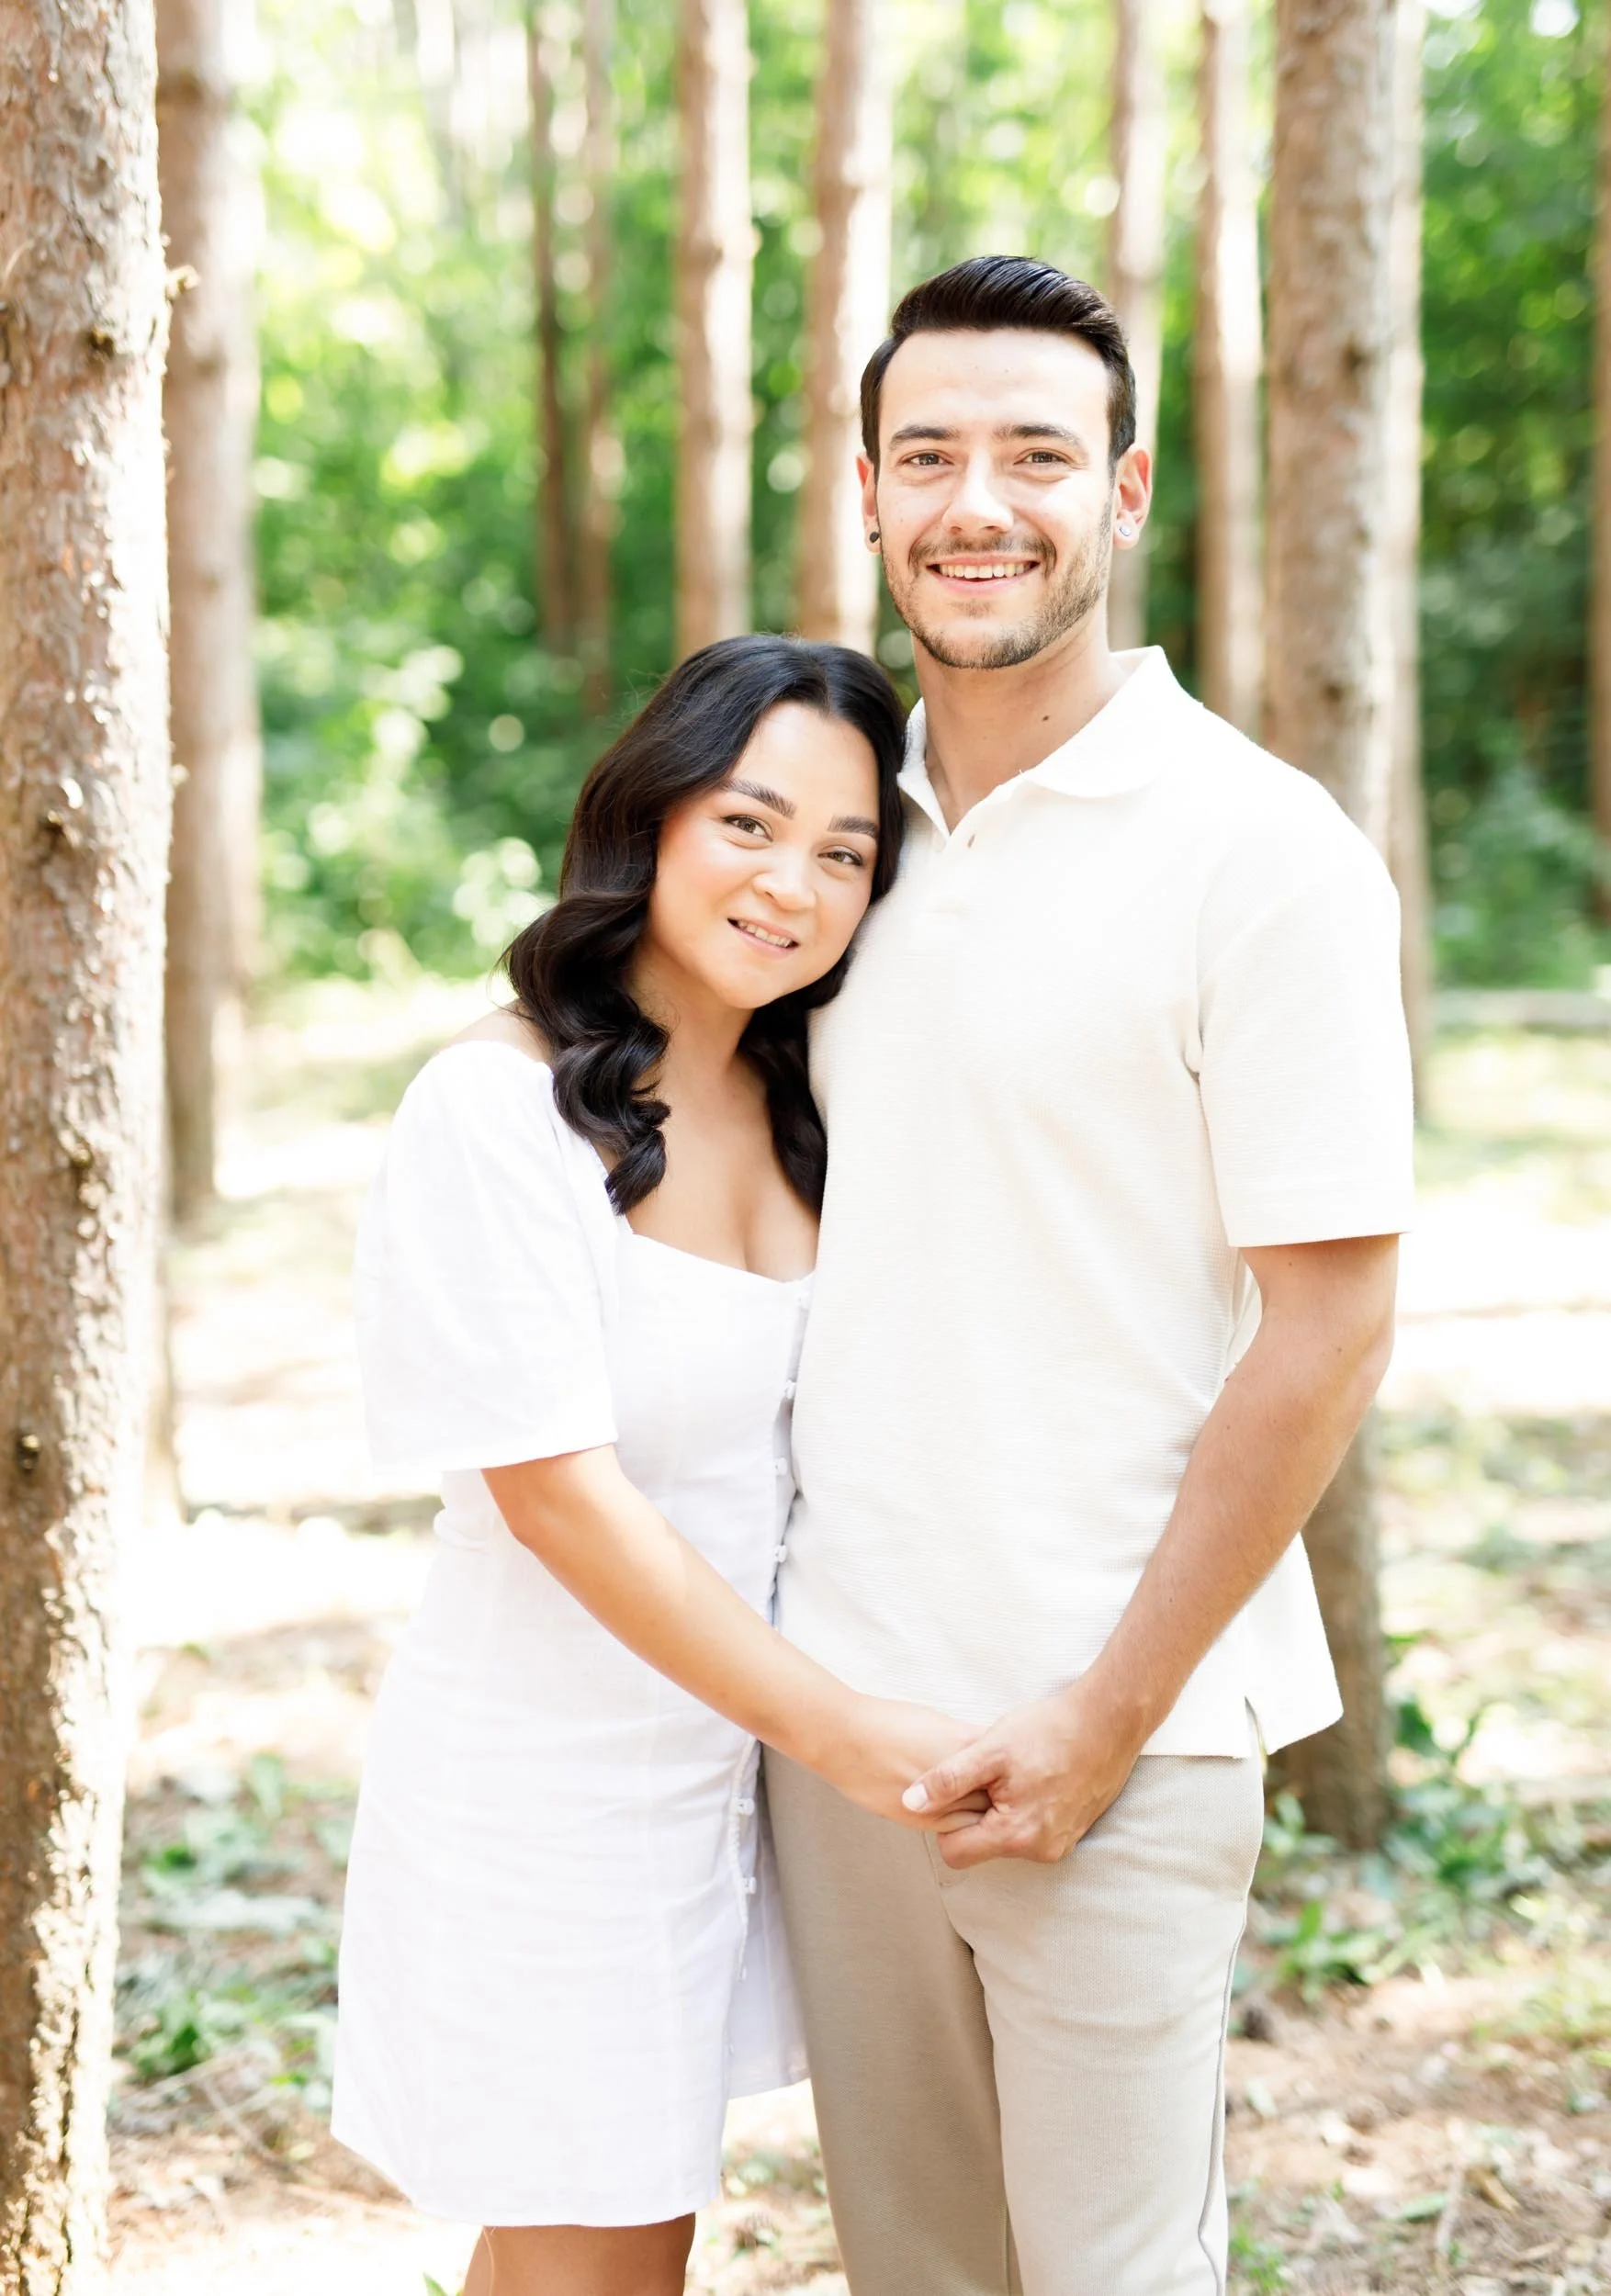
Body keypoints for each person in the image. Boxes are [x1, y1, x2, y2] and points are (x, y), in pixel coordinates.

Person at [766, 256, 1417, 2296]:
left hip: (1123, 1723)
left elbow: (1331, 1322)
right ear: (865, 494)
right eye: (929, 453)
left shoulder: (1261, 849)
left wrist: (1106, 1717)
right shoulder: (832, 843)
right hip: (844, 1713)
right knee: (918, 2273)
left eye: (1036, 453)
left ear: (1123, 492)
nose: (980, 501)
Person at [332, 635, 983, 2296]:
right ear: (654, 812)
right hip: (544, 1787)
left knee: (583, 2250)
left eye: (846, 854)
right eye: (750, 823)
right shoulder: (494, 1111)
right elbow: (559, 1497)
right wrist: (847, 1739)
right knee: (607, 2253)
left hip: (715, 1786)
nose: (794, 882)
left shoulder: (804, 1092)